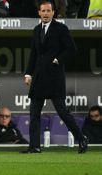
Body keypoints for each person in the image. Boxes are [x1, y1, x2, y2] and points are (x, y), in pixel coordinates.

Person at [23, 0, 88, 154]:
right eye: (43, 11)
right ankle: (34, 146)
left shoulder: (61, 28)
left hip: (54, 77)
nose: (45, 14)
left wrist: (58, 60)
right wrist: (28, 73)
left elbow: (71, 49)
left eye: (48, 11)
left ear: (53, 13)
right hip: (38, 77)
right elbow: (34, 54)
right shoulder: (36, 29)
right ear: (39, 12)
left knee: (63, 112)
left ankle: (82, 138)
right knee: (34, 114)